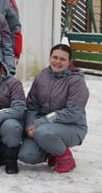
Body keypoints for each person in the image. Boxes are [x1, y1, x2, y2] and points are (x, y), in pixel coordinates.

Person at [19, 44, 89, 173]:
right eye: (55, 57)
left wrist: (39, 123)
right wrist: (30, 125)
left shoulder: (76, 82)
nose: (57, 62)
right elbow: (32, 105)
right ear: (50, 58)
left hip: (72, 126)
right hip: (43, 126)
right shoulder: (42, 77)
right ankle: (52, 151)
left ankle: (66, 158)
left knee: (44, 132)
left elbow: (73, 112)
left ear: (69, 62)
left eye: (62, 59)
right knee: (27, 155)